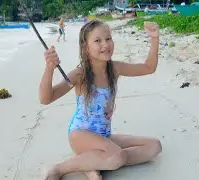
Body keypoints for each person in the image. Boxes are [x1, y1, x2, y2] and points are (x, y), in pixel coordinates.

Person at [40, 19, 162, 180]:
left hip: (103, 136)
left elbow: (148, 68)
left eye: (108, 38)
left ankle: (93, 162)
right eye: (97, 41)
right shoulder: (80, 74)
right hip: (81, 135)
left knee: (154, 146)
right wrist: (49, 69)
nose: (105, 44)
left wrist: (154, 38)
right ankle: (59, 169)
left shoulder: (115, 68)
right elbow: (46, 98)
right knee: (117, 156)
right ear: (85, 47)